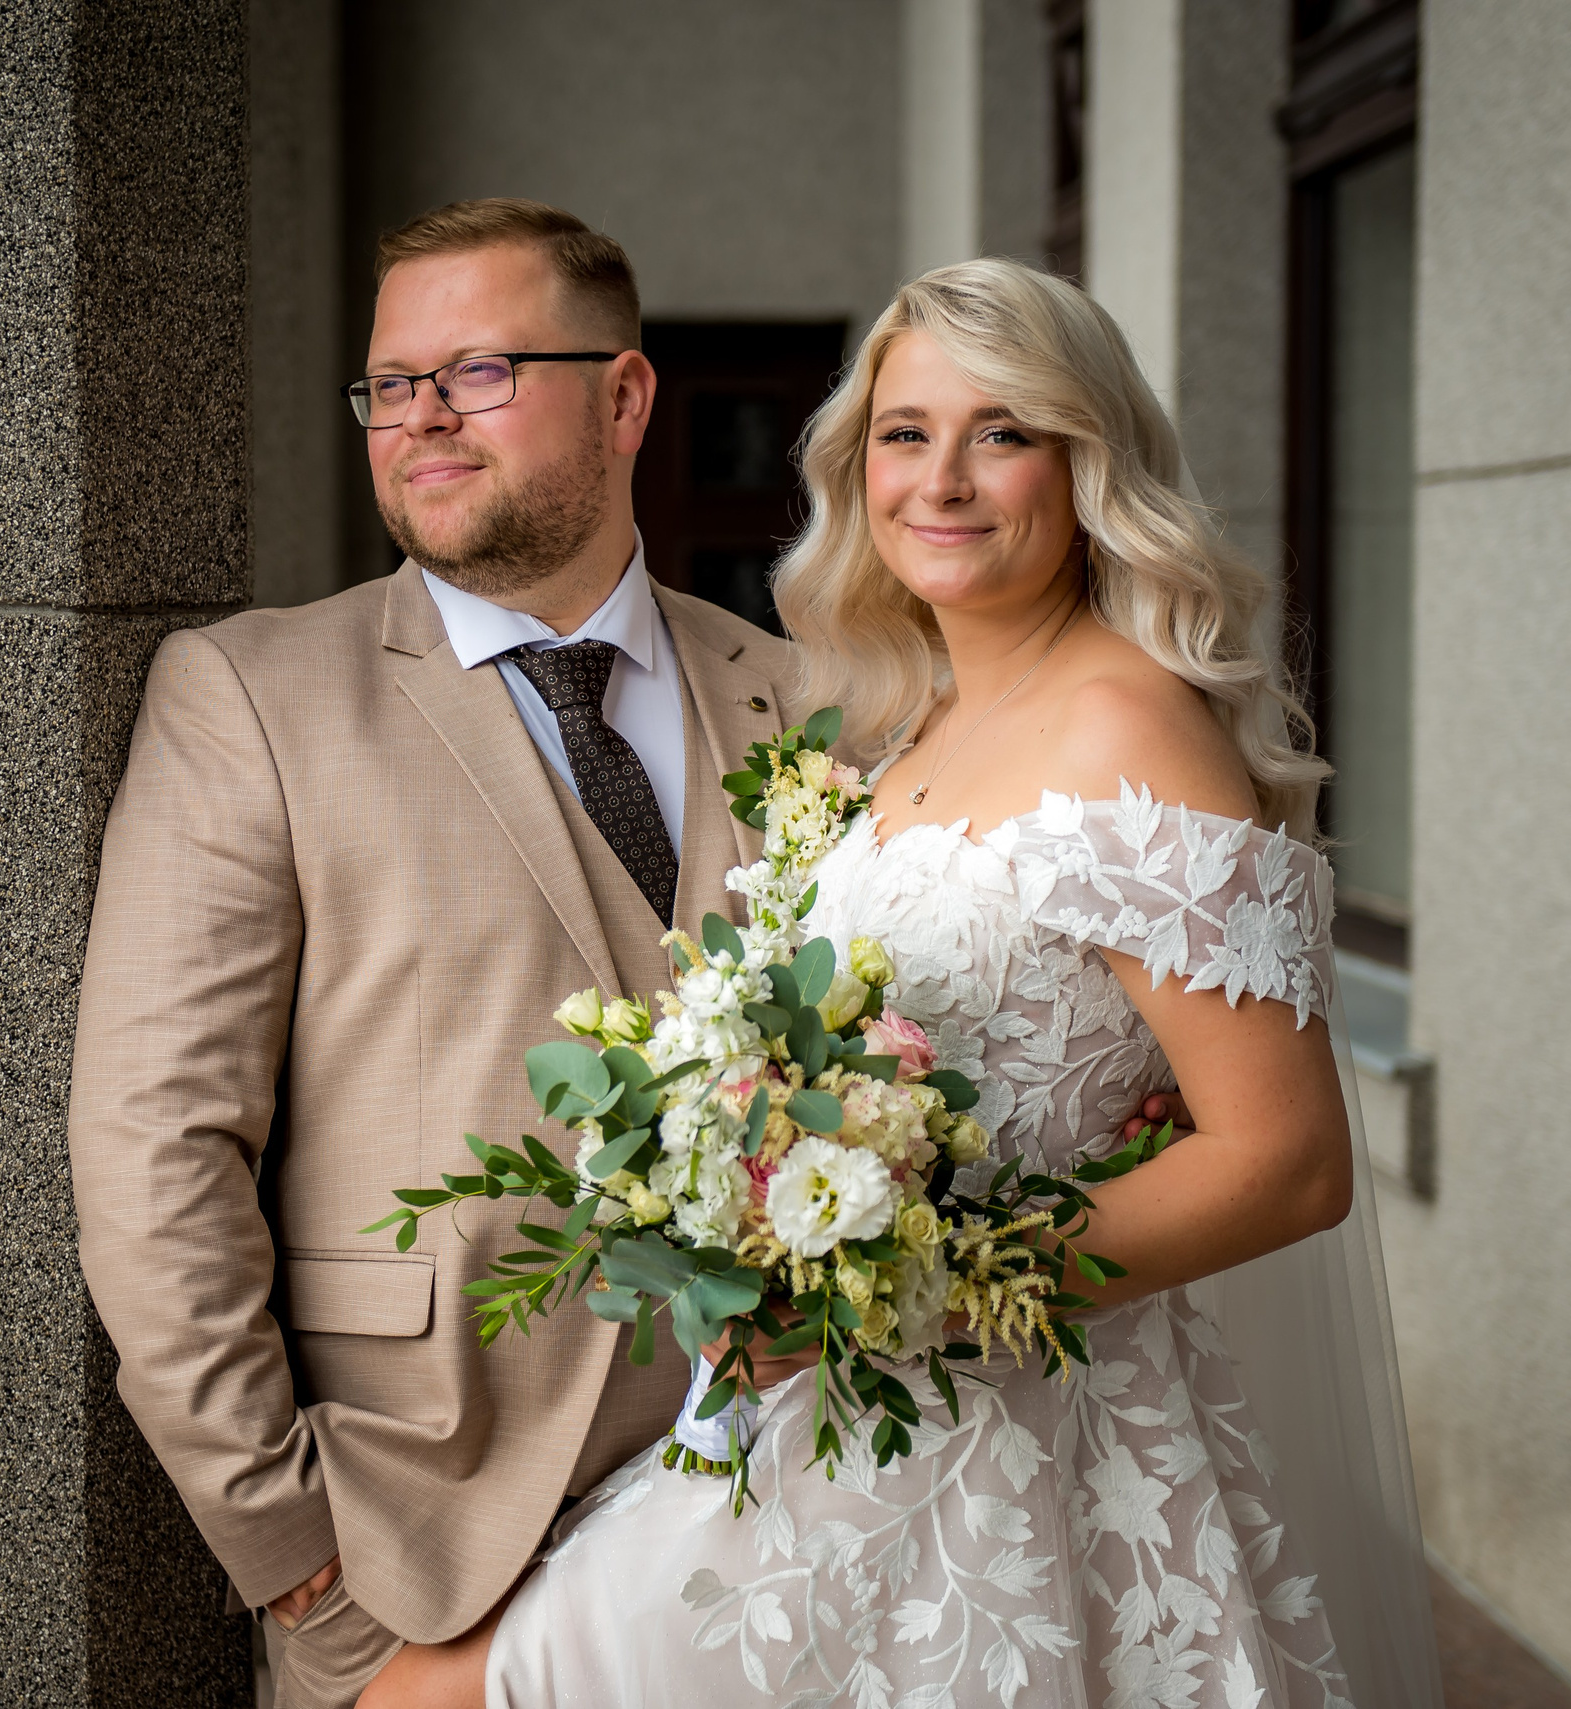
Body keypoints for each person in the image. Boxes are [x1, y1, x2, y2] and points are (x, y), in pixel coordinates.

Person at [67, 204, 1190, 1709]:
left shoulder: (818, 699)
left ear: (624, 399)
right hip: (424, 1553)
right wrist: (292, 1554)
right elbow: (155, 1154)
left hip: (808, 1528)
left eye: (474, 371)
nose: (420, 418)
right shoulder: (253, 698)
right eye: (390, 384)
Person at [481, 260, 1442, 1706]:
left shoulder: (1133, 721)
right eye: (904, 432)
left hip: (1024, 1433)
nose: (943, 478)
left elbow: (1290, 1159)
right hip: (838, 1422)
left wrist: (908, 1298)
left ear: (1089, 464)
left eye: (1003, 433)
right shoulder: (908, 727)